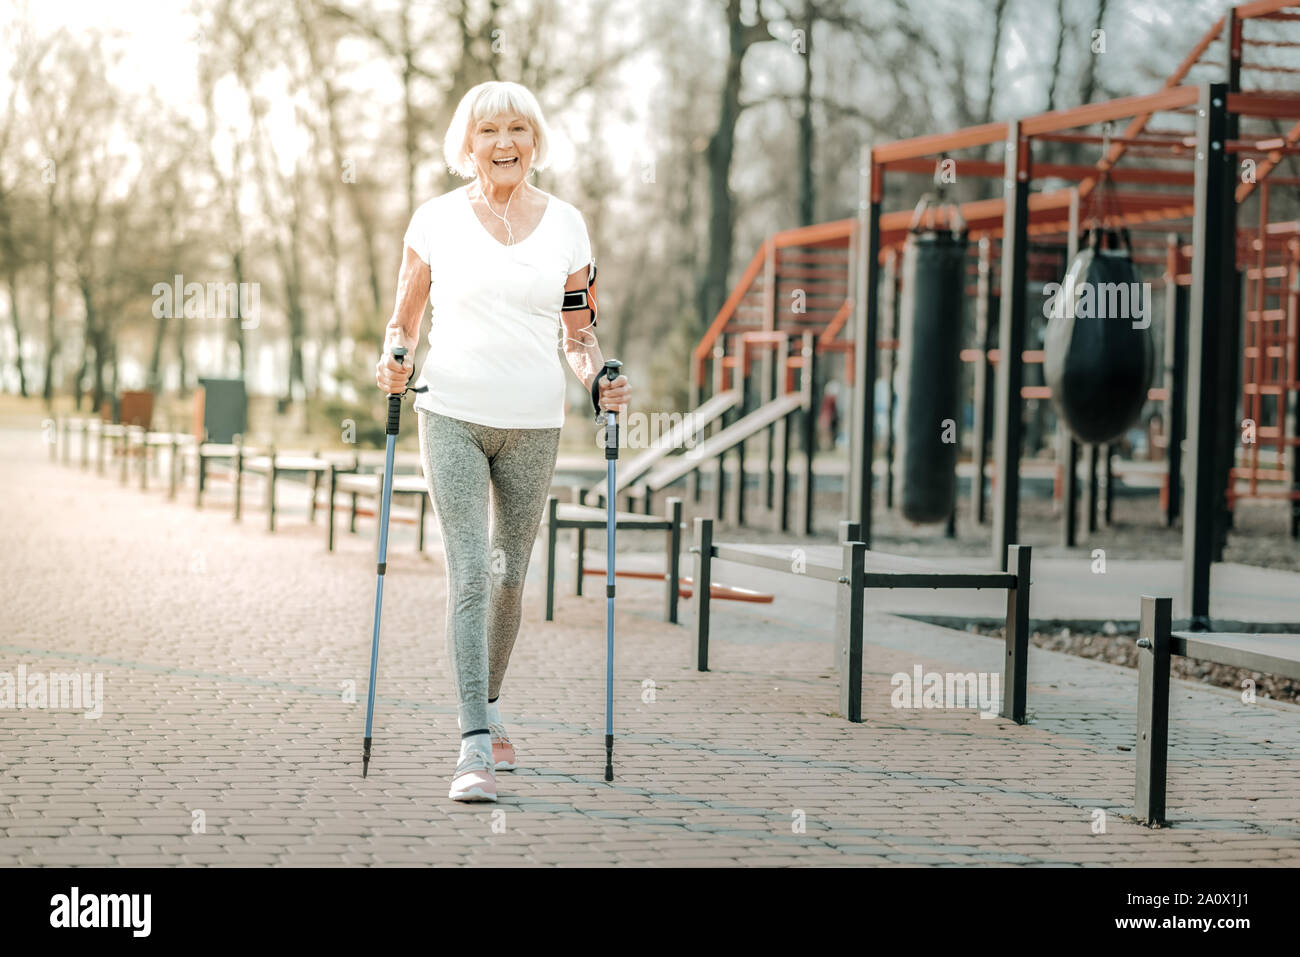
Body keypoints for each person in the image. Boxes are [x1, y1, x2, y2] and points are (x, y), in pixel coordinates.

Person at [374, 81, 630, 803]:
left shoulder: (568, 226)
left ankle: (485, 705)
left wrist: (598, 376)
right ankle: (473, 745)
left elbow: (580, 335)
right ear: (468, 143)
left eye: (518, 127)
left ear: (535, 140)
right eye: (489, 131)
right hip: (450, 411)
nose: (504, 141)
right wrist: (393, 358)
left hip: (533, 424)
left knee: (511, 578)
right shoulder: (435, 221)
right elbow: (403, 321)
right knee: (470, 570)